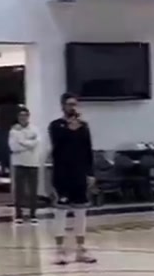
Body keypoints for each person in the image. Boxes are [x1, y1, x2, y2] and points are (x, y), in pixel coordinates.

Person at [49, 93, 96, 265]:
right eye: (69, 104)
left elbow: (88, 150)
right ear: (63, 106)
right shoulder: (55, 126)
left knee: (81, 212)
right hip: (62, 174)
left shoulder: (84, 126)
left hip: (79, 174)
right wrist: (69, 129)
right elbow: (57, 145)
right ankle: (59, 250)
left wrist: (90, 173)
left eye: (75, 104)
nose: (73, 107)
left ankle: (81, 249)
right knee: (61, 212)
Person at [9, 106, 40, 223]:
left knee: (33, 191)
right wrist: (28, 143)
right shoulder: (13, 131)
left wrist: (21, 141)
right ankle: (18, 215)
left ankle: (33, 214)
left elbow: (36, 143)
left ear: (28, 116)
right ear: (18, 117)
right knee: (19, 191)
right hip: (19, 163)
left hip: (33, 163)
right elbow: (14, 147)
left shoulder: (35, 129)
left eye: (25, 115)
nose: (23, 118)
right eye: (20, 115)